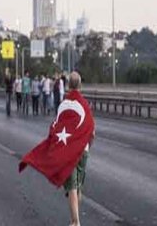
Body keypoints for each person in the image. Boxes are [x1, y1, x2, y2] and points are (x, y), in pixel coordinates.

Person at [19, 72, 95, 226]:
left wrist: (53, 147)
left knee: (72, 188)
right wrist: (87, 147)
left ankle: (75, 221)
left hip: (68, 152)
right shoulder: (85, 105)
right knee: (75, 187)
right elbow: (92, 131)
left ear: (68, 86)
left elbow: (56, 126)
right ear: (80, 85)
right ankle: (75, 220)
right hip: (82, 151)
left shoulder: (63, 104)